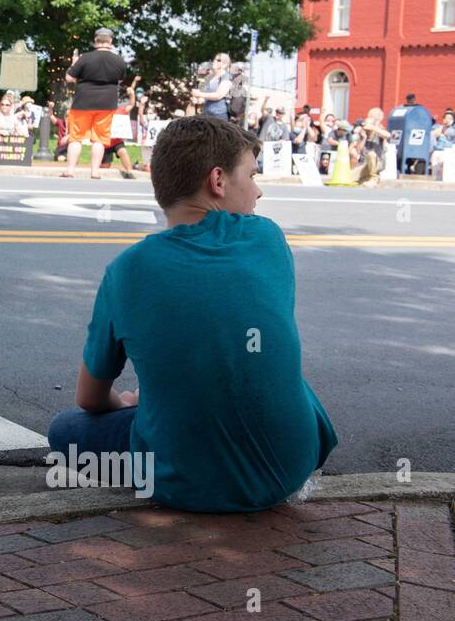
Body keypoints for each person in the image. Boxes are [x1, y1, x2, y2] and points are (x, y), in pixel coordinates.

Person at [47, 115, 338, 512]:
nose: (259, 191)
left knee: (65, 430)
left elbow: (90, 399)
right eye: (251, 176)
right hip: (290, 467)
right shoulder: (269, 239)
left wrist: (130, 402)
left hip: (180, 484)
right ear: (218, 182)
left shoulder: (127, 269)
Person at [63, 28, 126, 178]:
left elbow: (69, 78)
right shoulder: (119, 60)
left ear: (96, 40)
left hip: (83, 102)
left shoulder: (85, 58)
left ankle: (70, 170)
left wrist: (74, 64)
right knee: (99, 138)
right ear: (110, 41)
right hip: (107, 103)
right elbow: (121, 79)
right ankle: (95, 172)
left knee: (76, 137)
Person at [191, 53, 233, 120]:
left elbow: (218, 95)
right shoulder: (212, 77)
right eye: (215, 59)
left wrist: (200, 94)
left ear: (225, 65)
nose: (215, 61)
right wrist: (199, 100)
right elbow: (207, 95)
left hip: (219, 116)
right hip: (207, 114)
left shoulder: (226, 77)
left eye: (218, 60)